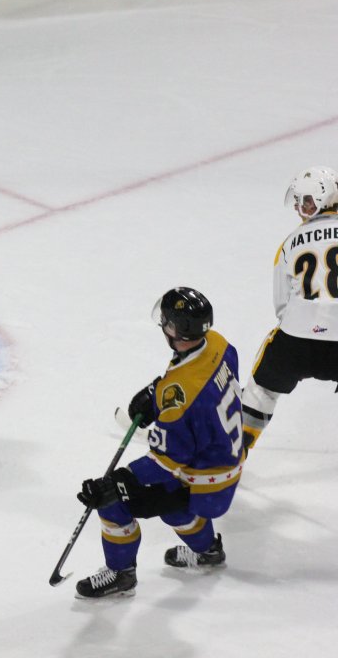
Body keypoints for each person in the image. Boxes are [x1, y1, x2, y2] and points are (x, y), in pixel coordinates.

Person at [74, 288, 243, 599]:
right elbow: (190, 381)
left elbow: (166, 461)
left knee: (112, 501)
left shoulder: (182, 398)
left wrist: (119, 482)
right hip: (225, 462)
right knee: (173, 507)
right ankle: (207, 551)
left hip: (200, 478)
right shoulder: (218, 344)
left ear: (174, 329)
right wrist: (157, 392)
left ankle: (120, 574)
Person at [241, 165, 338, 450]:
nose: (299, 207)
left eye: (306, 201)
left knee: (261, 390)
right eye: (298, 201)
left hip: (296, 339)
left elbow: (282, 305)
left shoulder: (290, 242)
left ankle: (231, 456)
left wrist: (309, 322)